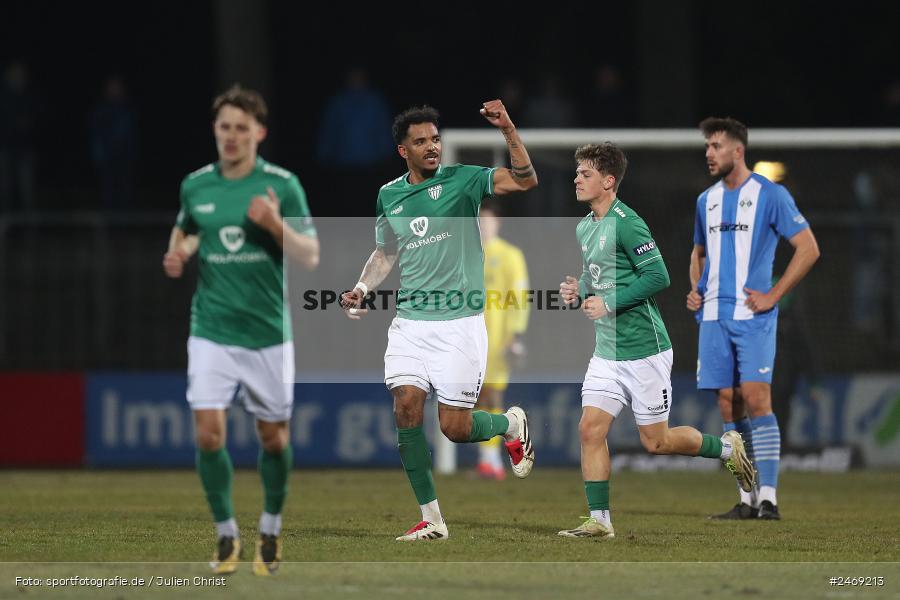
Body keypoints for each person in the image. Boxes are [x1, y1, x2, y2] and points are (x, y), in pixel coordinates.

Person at [340, 101, 537, 541]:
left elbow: (525, 179)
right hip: (410, 322)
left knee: (455, 428)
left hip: (460, 324)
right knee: (406, 406)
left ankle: (510, 424)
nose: (432, 147)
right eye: (420, 141)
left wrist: (507, 129)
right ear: (402, 151)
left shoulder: (464, 180)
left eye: (435, 138)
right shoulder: (389, 195)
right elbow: (386, 251)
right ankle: (432, 519)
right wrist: (362, 289)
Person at [557, 142, 755, 539]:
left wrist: (608, 302)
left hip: (645, 350)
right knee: (589, 430)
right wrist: (579, 290)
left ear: (608, 181)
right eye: (577, 172)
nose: (576, 178)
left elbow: (658, 276)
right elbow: (596, 274)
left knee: (657, 442)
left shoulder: (628, 222)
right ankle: (600, 520)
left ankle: (727, 449)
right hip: (607, 353)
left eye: (586, 173)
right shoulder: (585, 226)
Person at [162, 85, 319, 574]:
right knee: (209, 435)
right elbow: (187, 228)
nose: (231, 137)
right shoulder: (196, 185)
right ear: (215, 130)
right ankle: (227, 534)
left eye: (241, 129)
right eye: (224, 127)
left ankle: (269, 527)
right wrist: (180, 251)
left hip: (267, 333)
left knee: (273, 438)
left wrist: (274, 223)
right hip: (210, 327)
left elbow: (310, 255)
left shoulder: (283, 185)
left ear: (259, 133)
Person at [687, 117, 820, 521]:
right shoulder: (705, 200)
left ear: (737, 151)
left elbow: (808, 248)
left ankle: (769, 498)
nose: (709, 153)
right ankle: (745, 497)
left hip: (752, 315)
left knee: (758, 398)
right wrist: (696, 288)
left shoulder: (770, 195)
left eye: (716, 146)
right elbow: (698, 253)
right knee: (729, 404)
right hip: (712, 318)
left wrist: (774, 295)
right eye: (707, 146)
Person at [475, 200, 530, 480]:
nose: (483, 225)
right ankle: (490, 457)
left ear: (498, 223)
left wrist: (515, 335)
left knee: (491, 395)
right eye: (479, 220)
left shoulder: (509, 255)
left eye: (488, 220)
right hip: (468, 337)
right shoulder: (467, 253)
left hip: (498, 339)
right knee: (471, 399)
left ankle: (492, 460)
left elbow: (519, 297)